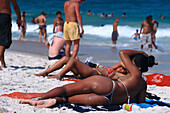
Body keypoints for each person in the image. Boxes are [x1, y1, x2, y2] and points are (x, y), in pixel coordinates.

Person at [20, 50, 157, 107]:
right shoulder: (143, 83)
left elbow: (122, 53)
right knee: (69, 100)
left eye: (132, 63)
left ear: (136, 66)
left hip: (107, 85)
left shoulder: (135, 72)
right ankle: (53, 101)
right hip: (108, 101)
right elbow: (140, 102)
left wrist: (139, 53)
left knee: (66, 90)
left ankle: (37, 99)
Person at [34, 54, 128, 80]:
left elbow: (124, 65)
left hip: (91, 73)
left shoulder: (116, 74)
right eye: (121, 68)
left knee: (73, 60)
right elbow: (121, 62)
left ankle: (59, 75)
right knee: (66, 58)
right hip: (86, 71)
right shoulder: (112, 68)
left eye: (123, 70)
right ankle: (46, 72)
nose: (120, 68)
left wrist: (126, 70)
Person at [0, 0, 21, 70]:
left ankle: (3, 63)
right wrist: (19, 18)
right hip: (4, 16)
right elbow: (15, 7)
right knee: (3, 39)